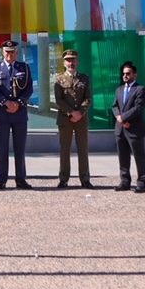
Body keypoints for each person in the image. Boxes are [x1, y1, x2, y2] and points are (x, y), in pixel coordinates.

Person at [0, 39, 33, 190]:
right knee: (2, 148)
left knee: (20, 148)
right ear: (3, 52)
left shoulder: (24, 67)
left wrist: (18, 103)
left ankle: (21, 179)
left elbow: (29, 88)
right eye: (7, 52)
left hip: (19, 113)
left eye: (12, 52)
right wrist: (5, 102)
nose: (9, 54)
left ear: (16, 53)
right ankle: (1, 179)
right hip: (2, 113)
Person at [54, 49, 93, 189]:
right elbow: (59, 100)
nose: (71, 63)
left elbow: (88, 98)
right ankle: (63, 178)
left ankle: (85, 178)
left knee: (83, 149)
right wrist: (71, 113)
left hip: (81, 119)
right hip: (66, 119)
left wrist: (80, 113)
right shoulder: (59, 79)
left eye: (73, 60)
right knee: (65, 149)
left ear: (77, 62)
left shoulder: (84, 78)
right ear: (64, 62)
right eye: (68, 60)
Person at [112, 61, 145, 193]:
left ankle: (142, 182)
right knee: (123, 156)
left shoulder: (140, 89)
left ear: (135, 75)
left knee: (139, 156)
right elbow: (115, 106)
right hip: (120, 129)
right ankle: (125, 181)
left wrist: (124, 118)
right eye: (123, 74)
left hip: (134, 129)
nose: (125, 76)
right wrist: (119, 119)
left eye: (128, 73)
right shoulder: (119, 89)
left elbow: (138, 107)